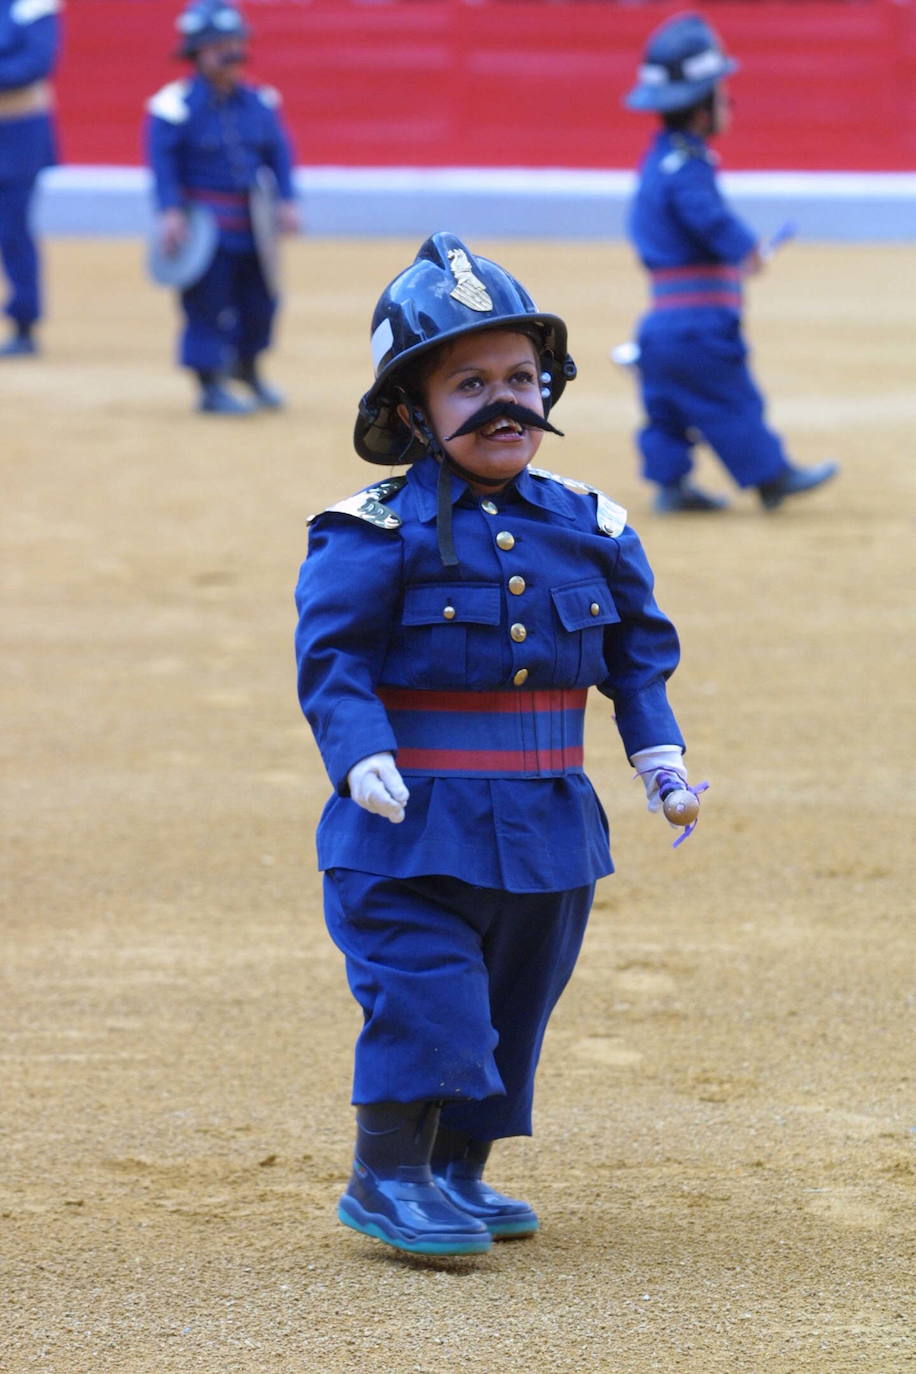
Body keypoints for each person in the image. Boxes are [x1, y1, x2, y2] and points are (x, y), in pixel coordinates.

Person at [294, 231, 704, 1257]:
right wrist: (359, 753)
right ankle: (386, 1176)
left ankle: (455, 1169)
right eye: (468, 383)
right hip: (408, 827)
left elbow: (634, 660)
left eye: (520, 377)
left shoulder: (592, 525)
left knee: (515, 1009)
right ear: (410, 413)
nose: (503, 402)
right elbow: (331, 658)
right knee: (430, 998)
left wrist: (657, 758)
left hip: (547, 825)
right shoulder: (369, 532)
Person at [623, 11, 838, 512]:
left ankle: (670, 485)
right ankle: (772, 477)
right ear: (702, 109)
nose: (729, 105)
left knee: (667, 406)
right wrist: (745, 249)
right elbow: (707, 217)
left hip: (660, 323)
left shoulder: (658, 161)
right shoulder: (689, 165)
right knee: (731, 399)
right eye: (723, 95)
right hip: (701, 324)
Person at [145, 0, 299, 414]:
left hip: (253, 223)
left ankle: (246, 367)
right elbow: (163, 165)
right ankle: (209, 384)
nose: (230, 54)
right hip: (203, 227)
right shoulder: (173, 106)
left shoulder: (260, 102)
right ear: (197, 53)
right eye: (219, 46)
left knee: (261, 303)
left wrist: (287, 199)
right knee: (206, 305)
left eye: (234, 43)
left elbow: (278, 154)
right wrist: (170, 211)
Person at [0, 0, 61, 358]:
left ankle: (24, 323)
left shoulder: (34, 4)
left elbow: (38, 62)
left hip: (17, 136)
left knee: (12, 230)